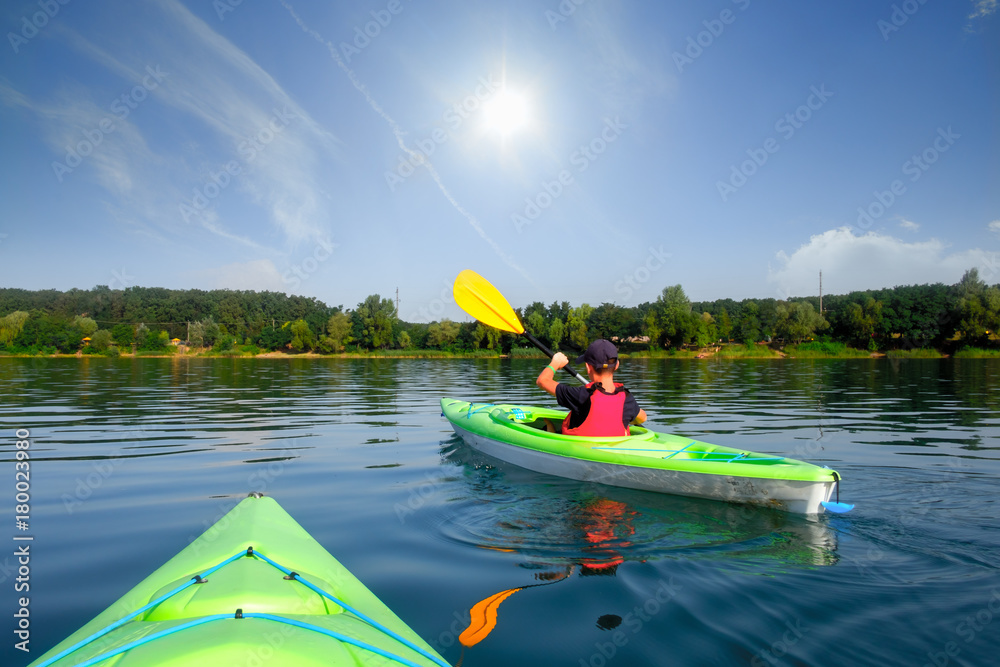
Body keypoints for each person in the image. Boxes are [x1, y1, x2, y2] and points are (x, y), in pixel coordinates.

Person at [536, 339, 647, 436]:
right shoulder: (627, 399)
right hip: (614, 452)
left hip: (581, 450)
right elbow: (642, 418)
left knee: (549, 428)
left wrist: (555, 363)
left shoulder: (581, 395)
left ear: (588, 367)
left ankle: (551, 431)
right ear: (617, 365)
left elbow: (542, 381)